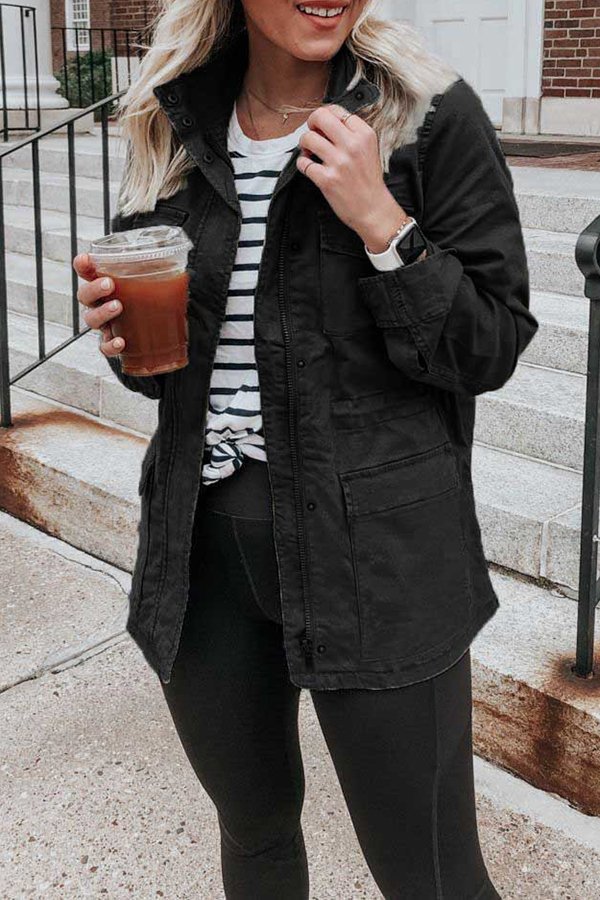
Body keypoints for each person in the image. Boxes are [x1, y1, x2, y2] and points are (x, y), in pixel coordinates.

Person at [73, 1, 537, 896]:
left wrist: (383, 224)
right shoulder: (175, 120)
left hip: (377, 554)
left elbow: (489, 347)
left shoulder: (427, 115)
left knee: (431, 877)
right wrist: (122, 339)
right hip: (202, 548)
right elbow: (165, 374)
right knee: (253, 835)